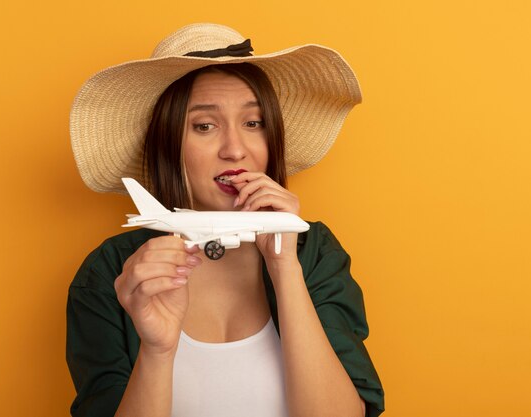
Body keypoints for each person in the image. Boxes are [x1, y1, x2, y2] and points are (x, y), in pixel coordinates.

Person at [66, 23, 384, 417]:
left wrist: (284, 266)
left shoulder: (314, 253)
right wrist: (157, 350)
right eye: (204, 126)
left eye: (254, 124)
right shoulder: (115, 273)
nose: (235, 150)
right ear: (167, 144)